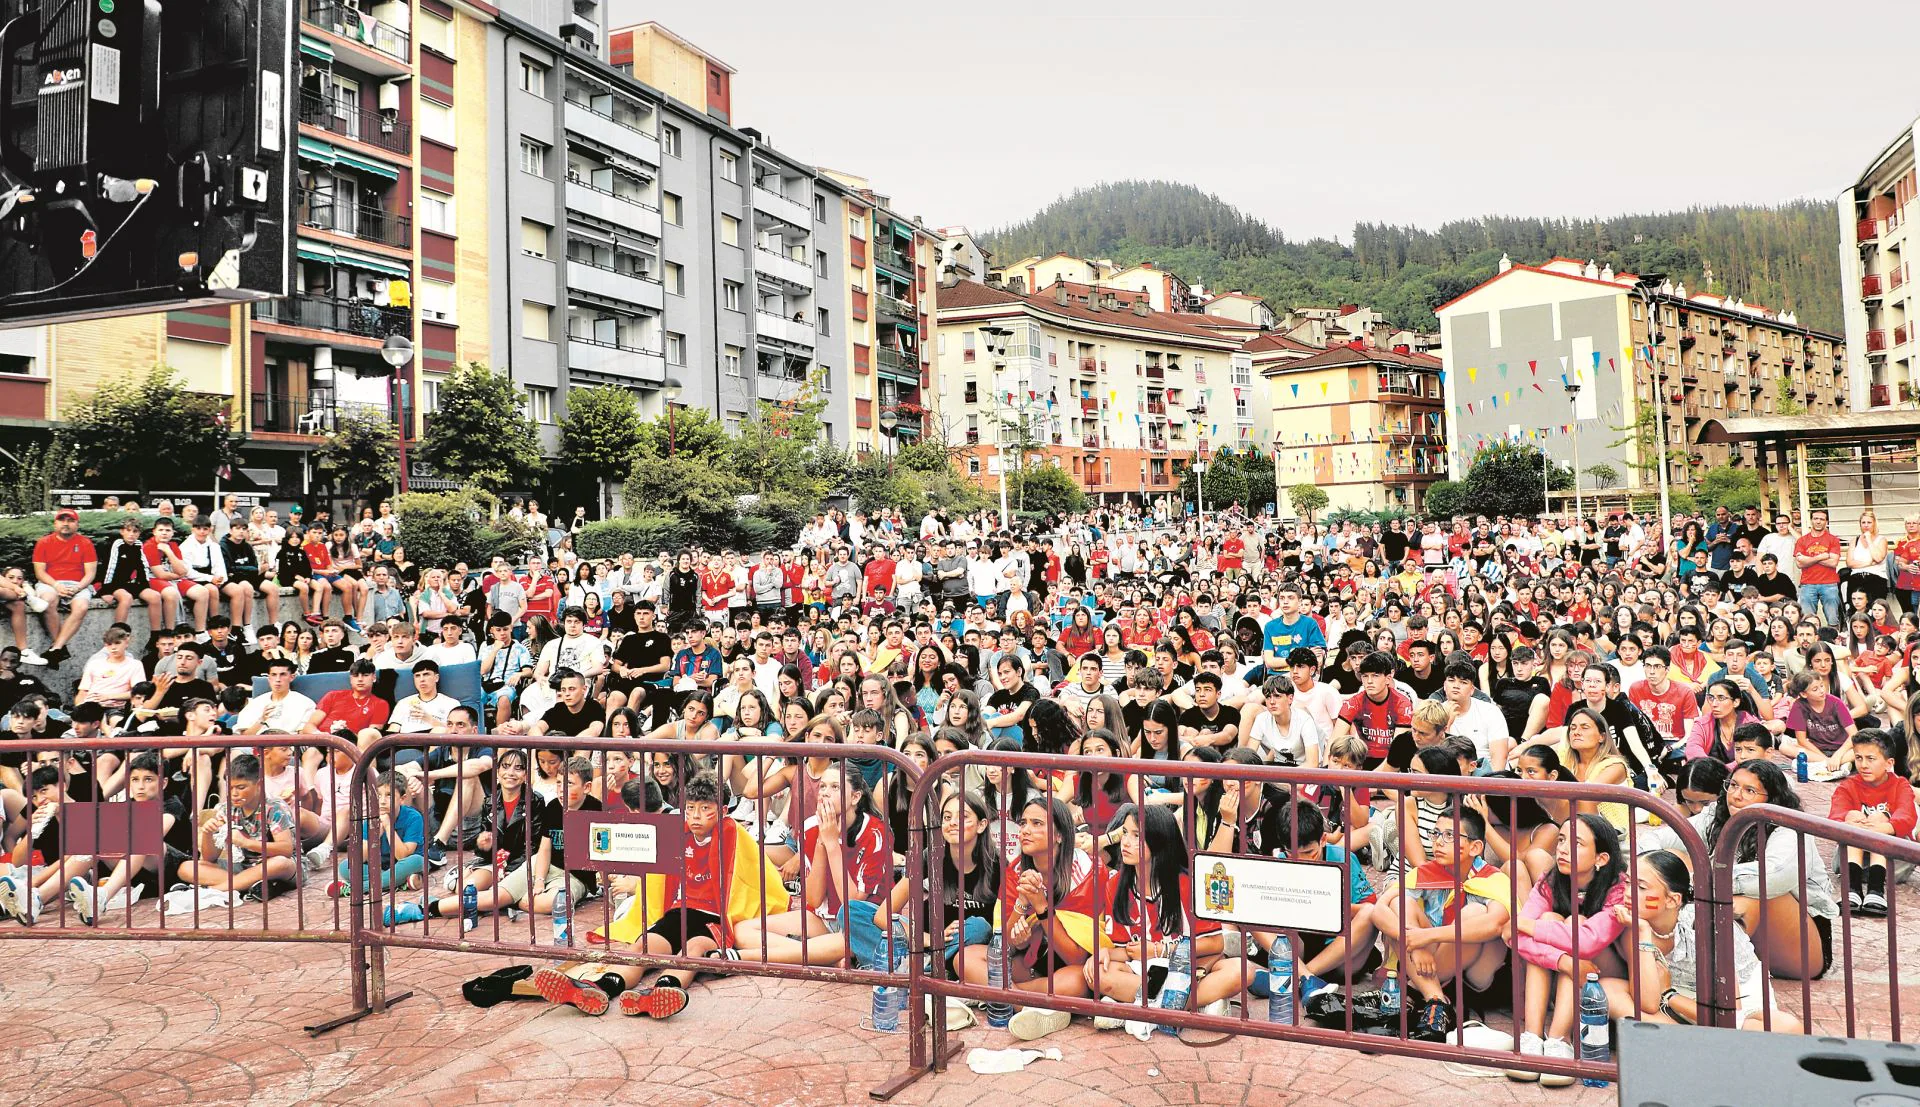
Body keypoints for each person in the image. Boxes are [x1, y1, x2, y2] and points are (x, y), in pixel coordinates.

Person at [1510, 814, 1628, 1088]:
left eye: (1575, 843)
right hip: (1570, 970)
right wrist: (1561, 961)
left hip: (1605, 974)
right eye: (1561, 840)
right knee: (1548, 922)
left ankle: (1560, 1038)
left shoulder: (1617, 888)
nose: (1561, 849)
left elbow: (1587, 942)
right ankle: (1532, 1036)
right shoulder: (1550, 880)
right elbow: (1514, 936)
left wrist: (1529, 928)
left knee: (1575, 924)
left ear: (1601, 858)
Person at [1828, 729, 1916, 917]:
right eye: (1858, 758)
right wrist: (1849, 817)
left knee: (1877, 823)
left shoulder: (1901, 785)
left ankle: (1876, 890)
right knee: (1854, 826)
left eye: (1871, 759)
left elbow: (1907, 816)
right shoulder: (1848, 786)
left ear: (1889, 763)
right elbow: (1835, 815)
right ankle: (1852, 890)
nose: (1863, 765)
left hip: (1891, 859)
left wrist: (1881, 825)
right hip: (1853, 854)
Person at [31, 508, 97, 669]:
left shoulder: (85, 543)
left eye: (70, 520)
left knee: (81, 606)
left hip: (78, 583)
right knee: (48, 600)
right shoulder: (44, 542)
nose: (65, 524)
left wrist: (78, 587)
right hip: (50, 582)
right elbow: (39, 572)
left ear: (77, 524)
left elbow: (90, 573)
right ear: (55, 523)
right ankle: (59, 648)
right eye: (62, 520)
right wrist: (56, 585)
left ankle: (57, 648)